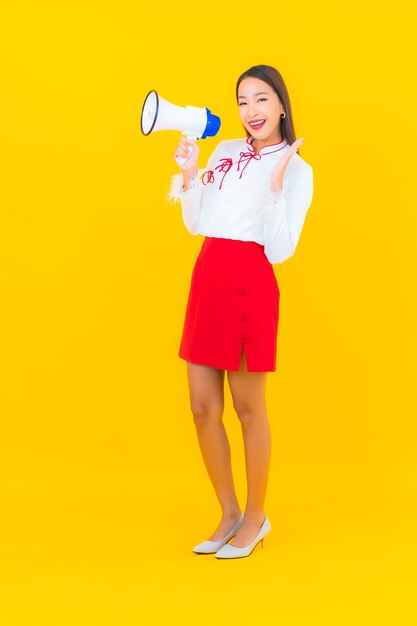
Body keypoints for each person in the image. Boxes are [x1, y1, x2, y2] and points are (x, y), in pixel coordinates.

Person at [167, 64, 314, 559]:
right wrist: (190, 174)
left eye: (261, 99)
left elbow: (281, 249)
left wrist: (275, 188)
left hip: (250, 282)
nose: (251, 111)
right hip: (208, 273)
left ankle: (256, 518)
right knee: (202, 408)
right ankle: (229, 513)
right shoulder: (225, 150)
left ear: (281, 105)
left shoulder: (298, 168)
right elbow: (198, 221)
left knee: (249, 409)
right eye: (243, 101)